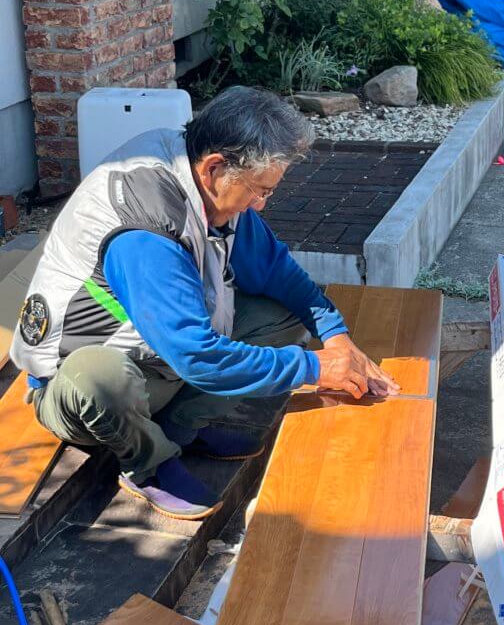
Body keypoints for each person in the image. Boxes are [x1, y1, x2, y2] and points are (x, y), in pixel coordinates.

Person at [11, 86, 399, 520]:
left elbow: (275, 270)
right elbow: (196, 357)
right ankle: (149, 463)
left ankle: (178, 430)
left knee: (286, 317)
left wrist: (335, 335)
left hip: (155, 356)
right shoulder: (146, 233)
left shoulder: (203, 176)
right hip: (78, 389)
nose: (260, 205)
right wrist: (315, 368)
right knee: (99, 378)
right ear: (215, 167)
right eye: (259, 191)